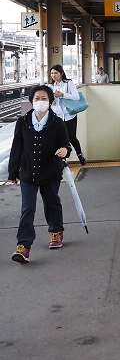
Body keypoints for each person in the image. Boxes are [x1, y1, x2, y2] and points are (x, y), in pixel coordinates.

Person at [8, 85, 71, 263]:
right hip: (28, 172)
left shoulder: (57, 122)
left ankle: (56, 231)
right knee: (27, 208)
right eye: (37, 98)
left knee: (51, 203)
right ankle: (23, 246)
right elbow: (17, 148)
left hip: (50, 172)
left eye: (44, 98)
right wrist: (13, 173)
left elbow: (66, 145)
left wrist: (64, 150)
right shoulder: (23, 122)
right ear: (31, 101)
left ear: (50, 101)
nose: (40, 102)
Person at [49, 64, 87, 165]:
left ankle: (80, 154)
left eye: (56, 73)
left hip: (69, 115)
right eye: (52, 73)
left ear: (61, 73)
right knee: (58, 138)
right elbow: (51, 102)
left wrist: (63, 95)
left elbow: (76, 97)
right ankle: (62, 160)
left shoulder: (68, 83)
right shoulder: (50, 86)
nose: (54, 75)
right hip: (57, 116)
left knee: (71, 137)